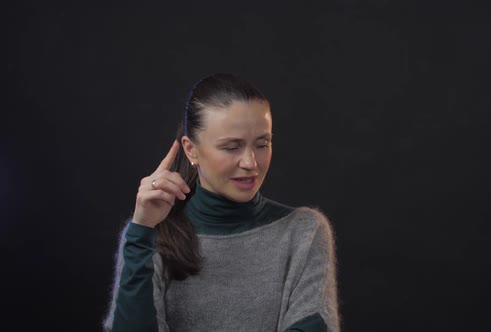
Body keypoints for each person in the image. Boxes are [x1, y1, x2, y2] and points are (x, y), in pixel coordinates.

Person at [102, 73, 340, 331]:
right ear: (191, 149)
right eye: (231, 147)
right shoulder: (150, 235)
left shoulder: (304, 232)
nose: (251, 163)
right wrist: (142, 232)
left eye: (262, 144)